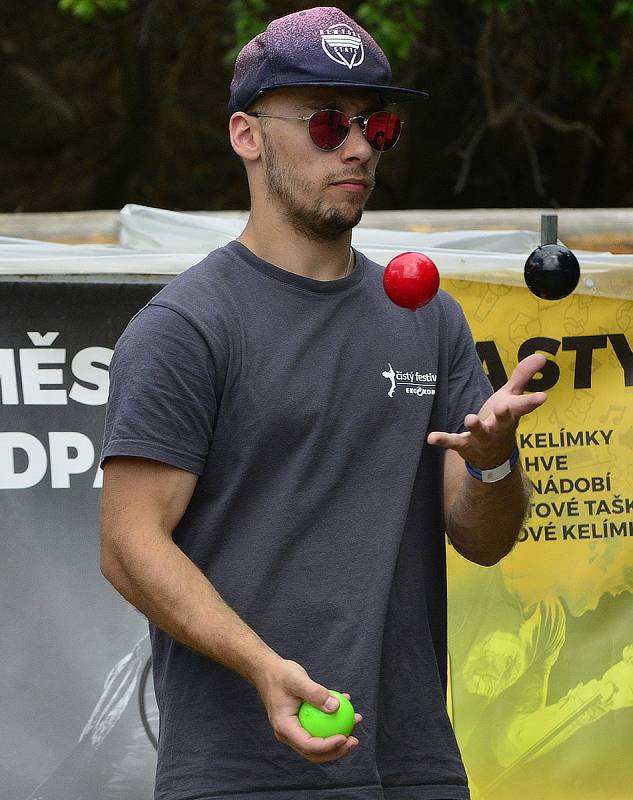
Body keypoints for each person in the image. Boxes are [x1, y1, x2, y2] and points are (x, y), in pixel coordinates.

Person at [99, 7, 547, 800]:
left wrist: (492, 462)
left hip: (413, 766)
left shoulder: (427, 315)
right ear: (246, 135)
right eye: (327, 122)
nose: (357, 146)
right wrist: (263, 669)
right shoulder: (187, 326)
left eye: (376, 124)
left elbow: (484, 540)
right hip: (240, 774)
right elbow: (130, 546)